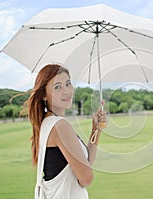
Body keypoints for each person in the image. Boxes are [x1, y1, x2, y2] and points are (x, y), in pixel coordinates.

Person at [27, 64, 107, 198]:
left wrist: (96, 129)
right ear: (44, 95)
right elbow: (86, 178)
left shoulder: (47, 123)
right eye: (57, 87)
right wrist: (85, 173)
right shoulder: (60, 126)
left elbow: (86, 163)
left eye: (68, 84)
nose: (66, 91)